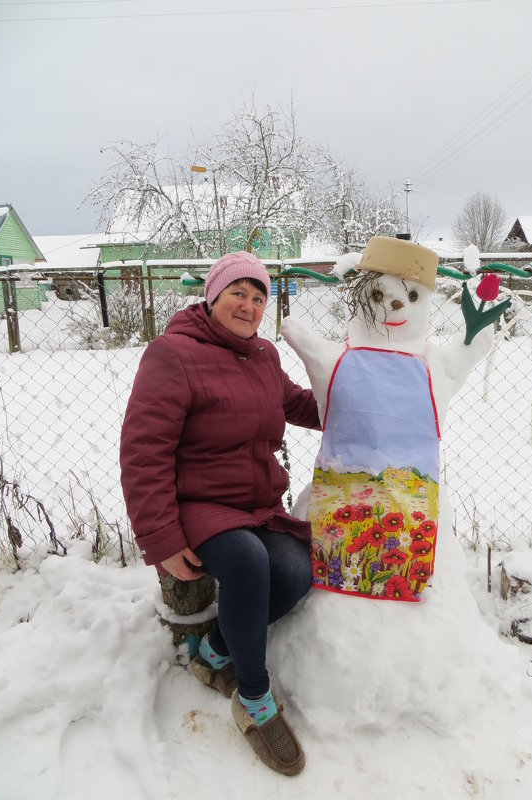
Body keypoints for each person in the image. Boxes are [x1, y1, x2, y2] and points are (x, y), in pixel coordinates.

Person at [119, 251, 320, 776]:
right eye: (238, 292)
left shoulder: (264, 357)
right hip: (198, 505)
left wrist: (365, 404)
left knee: (297, 571)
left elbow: (300, 404)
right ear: (212, 296)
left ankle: (214, 651)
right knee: (250, 564)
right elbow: (144, 450)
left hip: (255, 504)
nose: (249, 305)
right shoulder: (173, 354)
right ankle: (254, 698)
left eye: (259, 298)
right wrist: (161, 537)